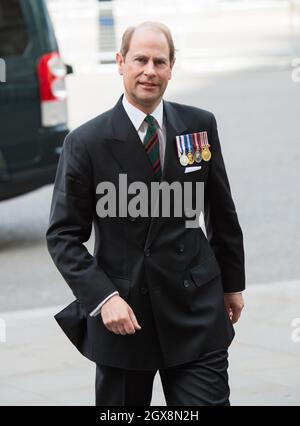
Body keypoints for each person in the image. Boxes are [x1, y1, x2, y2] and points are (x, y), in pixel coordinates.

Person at [46, 21, 245, 406]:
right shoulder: (85, 142)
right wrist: (104, 299)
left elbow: (221, 211)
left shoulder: (198, 126)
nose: (149, 71)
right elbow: (62, 236)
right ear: (121, 63)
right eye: (140, 60)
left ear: (172, 66)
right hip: (124, 317)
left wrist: (232, 283)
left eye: (160, 61)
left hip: (195, 311)